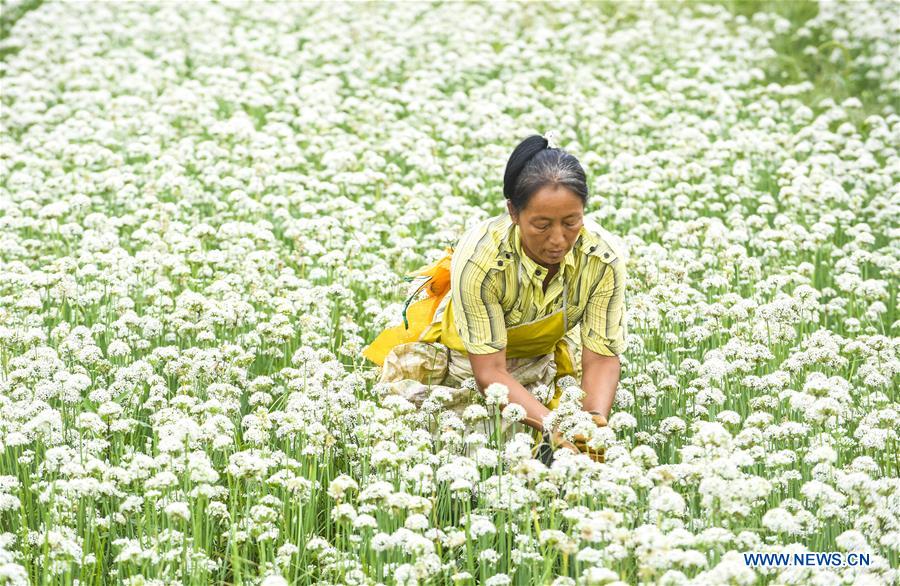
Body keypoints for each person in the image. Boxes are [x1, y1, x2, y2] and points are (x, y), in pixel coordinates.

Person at [363, 133, 627, 463]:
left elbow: (601, 357)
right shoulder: (482, 259)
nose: (558, 240)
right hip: (469, 366)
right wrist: (555, 427)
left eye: (571, 222)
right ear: (513, 212)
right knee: (478, 458)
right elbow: (489, 372)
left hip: (541, 360)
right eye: (542, 225)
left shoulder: (602, 258)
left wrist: (591, 425)